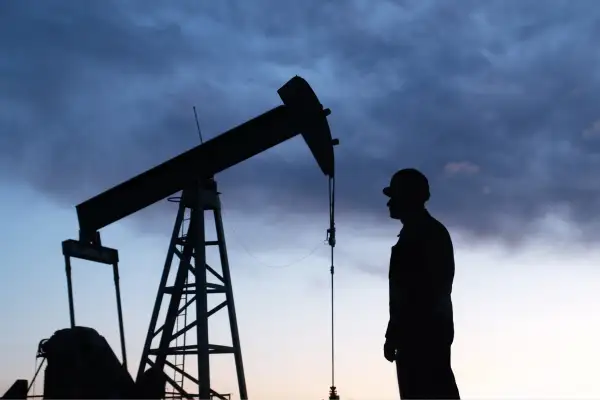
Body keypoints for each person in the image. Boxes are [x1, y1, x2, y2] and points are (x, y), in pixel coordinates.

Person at [382, 168, 460, 399]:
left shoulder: (424, 234)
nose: (389, 203)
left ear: (408, 197)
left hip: (421, 335)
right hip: (419, 334)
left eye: (394, 197)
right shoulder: (420, 233)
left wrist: (396, 332)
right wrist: (393, 333)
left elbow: (419, 292)